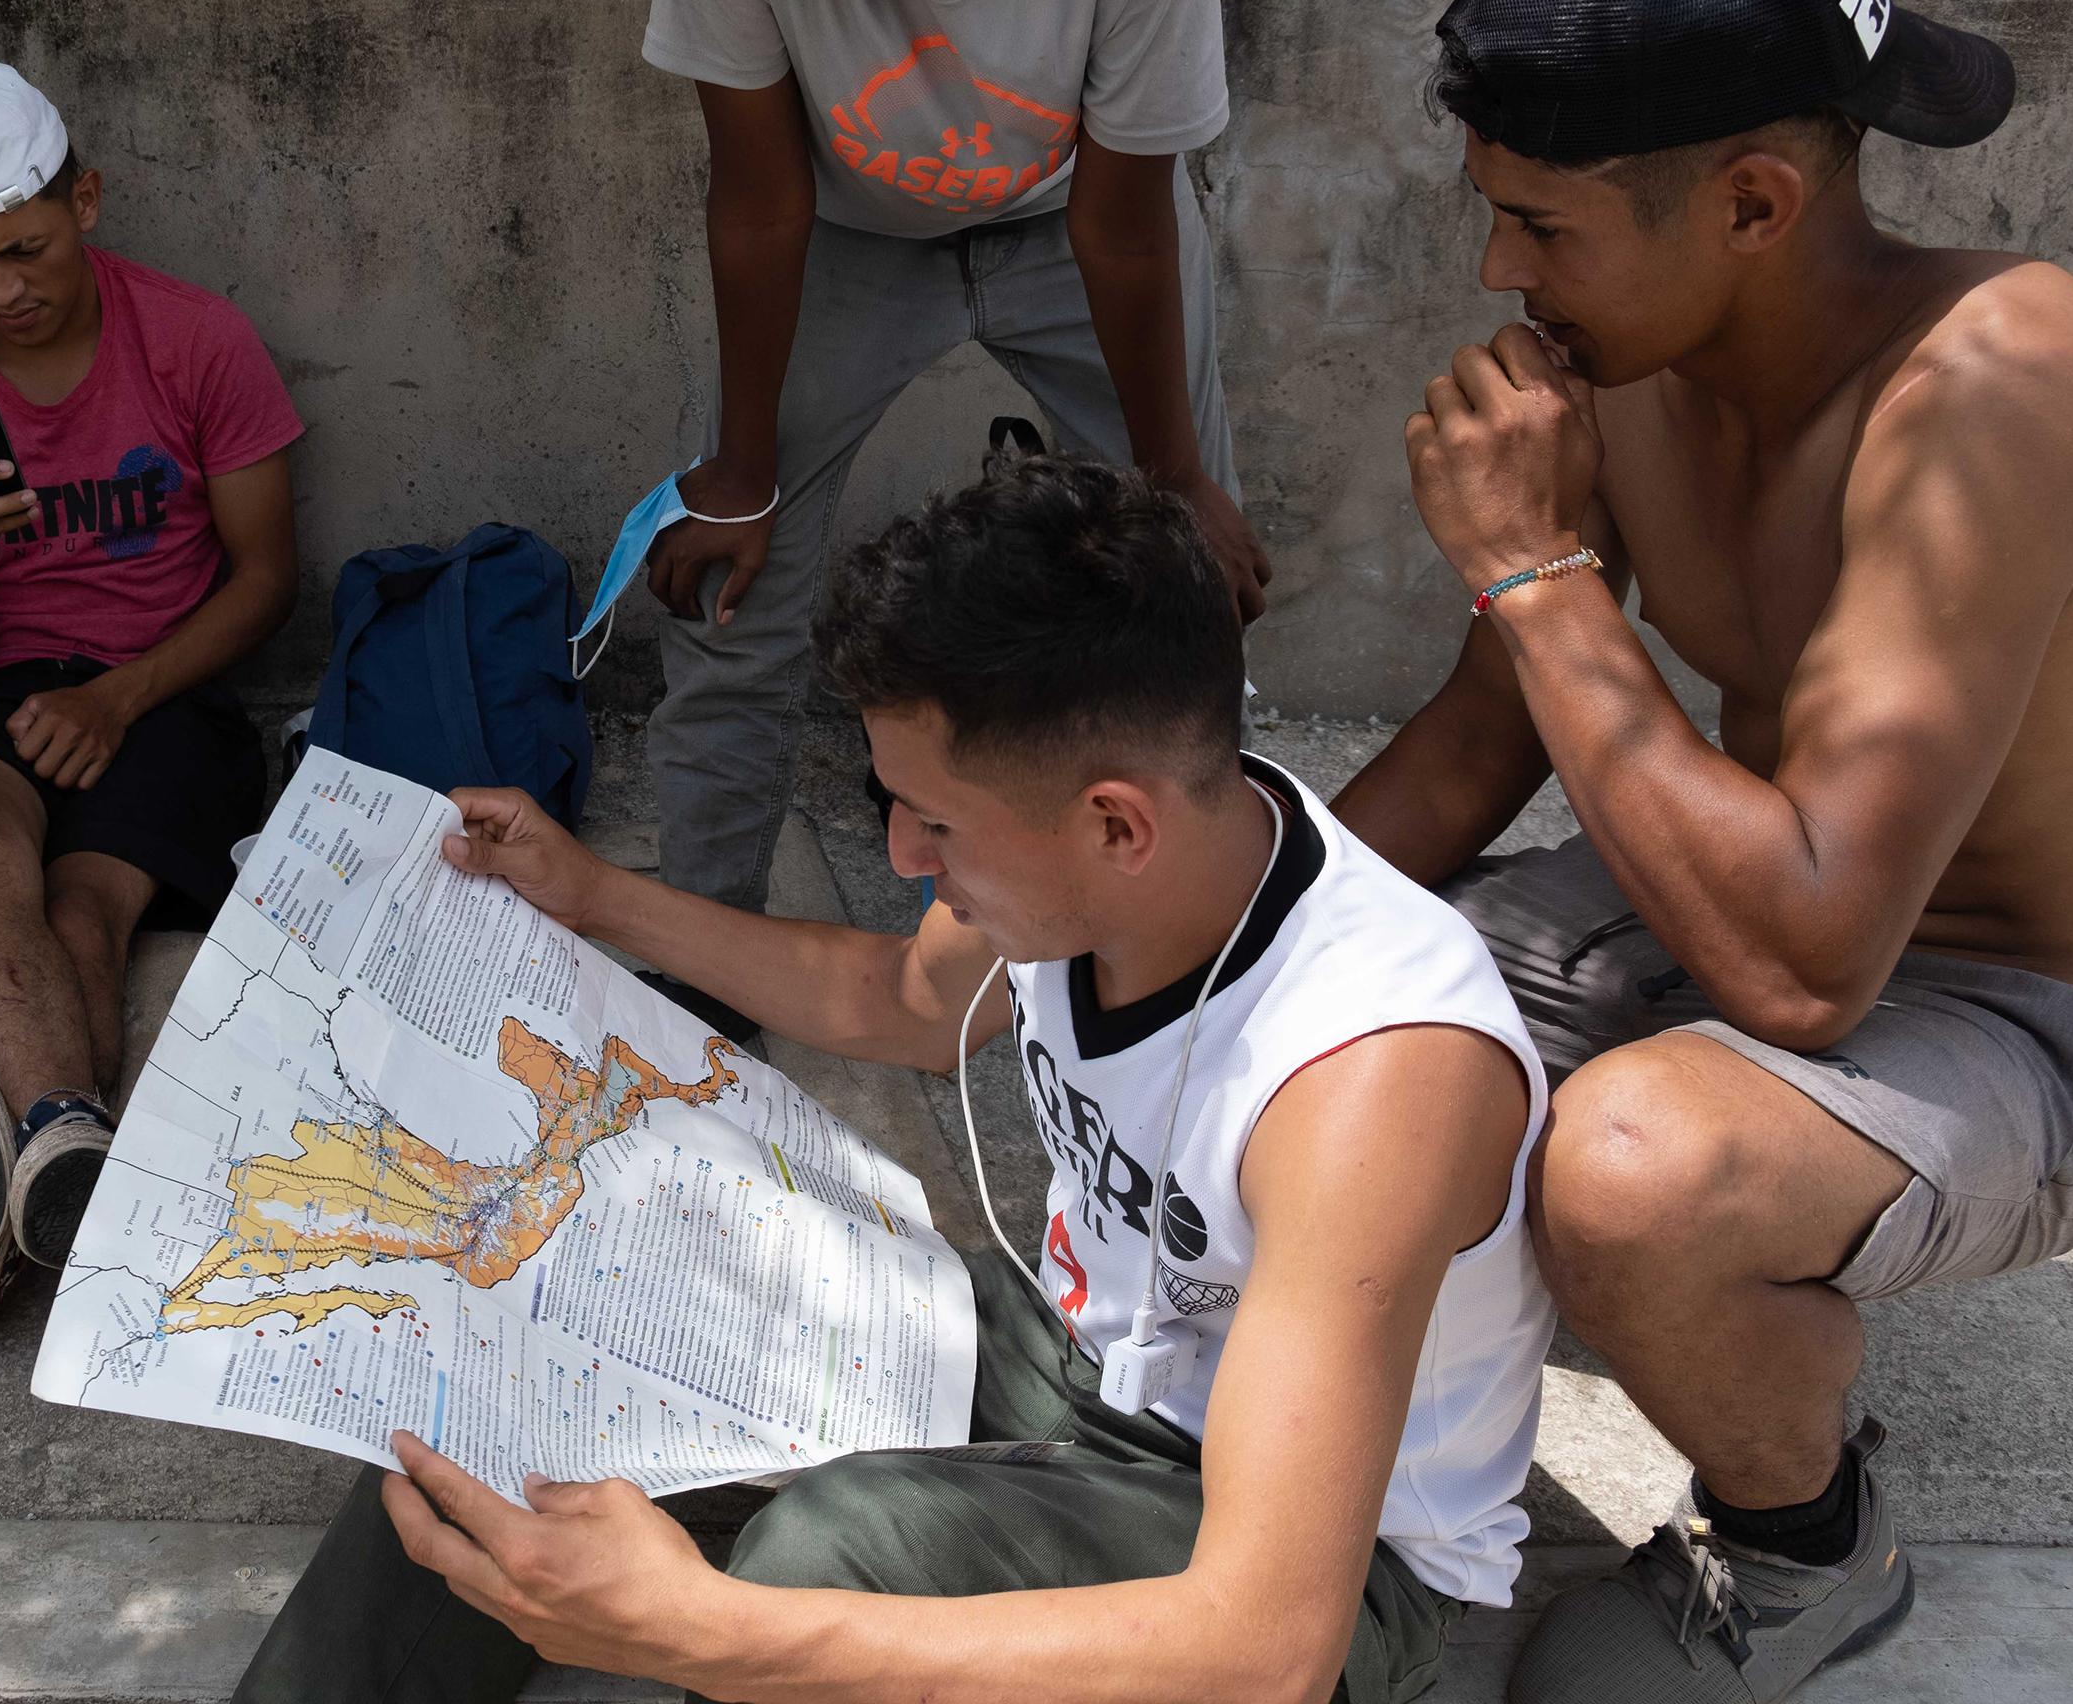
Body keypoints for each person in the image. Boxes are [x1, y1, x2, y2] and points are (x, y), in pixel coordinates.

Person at [240, 454, 1552, 1704]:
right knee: (560, 1322)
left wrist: (697, 1627)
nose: (903, 852)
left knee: (828, 1555)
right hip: (1073, 1366)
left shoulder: (1372, 1080)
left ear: (1115, 823)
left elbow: (1260, 1646)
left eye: (934, 822)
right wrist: (592, 900)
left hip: (1310, 1562)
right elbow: (896, 1000)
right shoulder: (1117, 857)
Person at [1327, 0, 2073, 1703]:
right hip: (1754, 894)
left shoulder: (2001, 380)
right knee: (1350, 1026)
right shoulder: (1639, 353)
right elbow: (1476, 745)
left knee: (1637, 1179)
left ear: (1753, 202)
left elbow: (1806, 974)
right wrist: (1199, 937)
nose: (1500, 270)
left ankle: (1812, 1547)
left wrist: (1535, 572)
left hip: (2016, 1006)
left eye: (1543, 225)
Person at [639, 0, 1265, 916]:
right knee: (730, 587)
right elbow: (762, 198)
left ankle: (1185, 935)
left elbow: (1124, 226)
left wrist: (1177, 477)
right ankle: (699, 949)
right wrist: (745, 467)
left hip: (1076, 223)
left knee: (1183, 583)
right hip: (843, 237)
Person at [0, 59, 304, 1353]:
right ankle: (62, 1136)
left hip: (166, 690)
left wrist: (121, 695)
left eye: (25, 248)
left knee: (87, 909)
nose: (2, 290)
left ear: (86, 200)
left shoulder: (195, 338)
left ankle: (7, 1196)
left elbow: (268, 578)